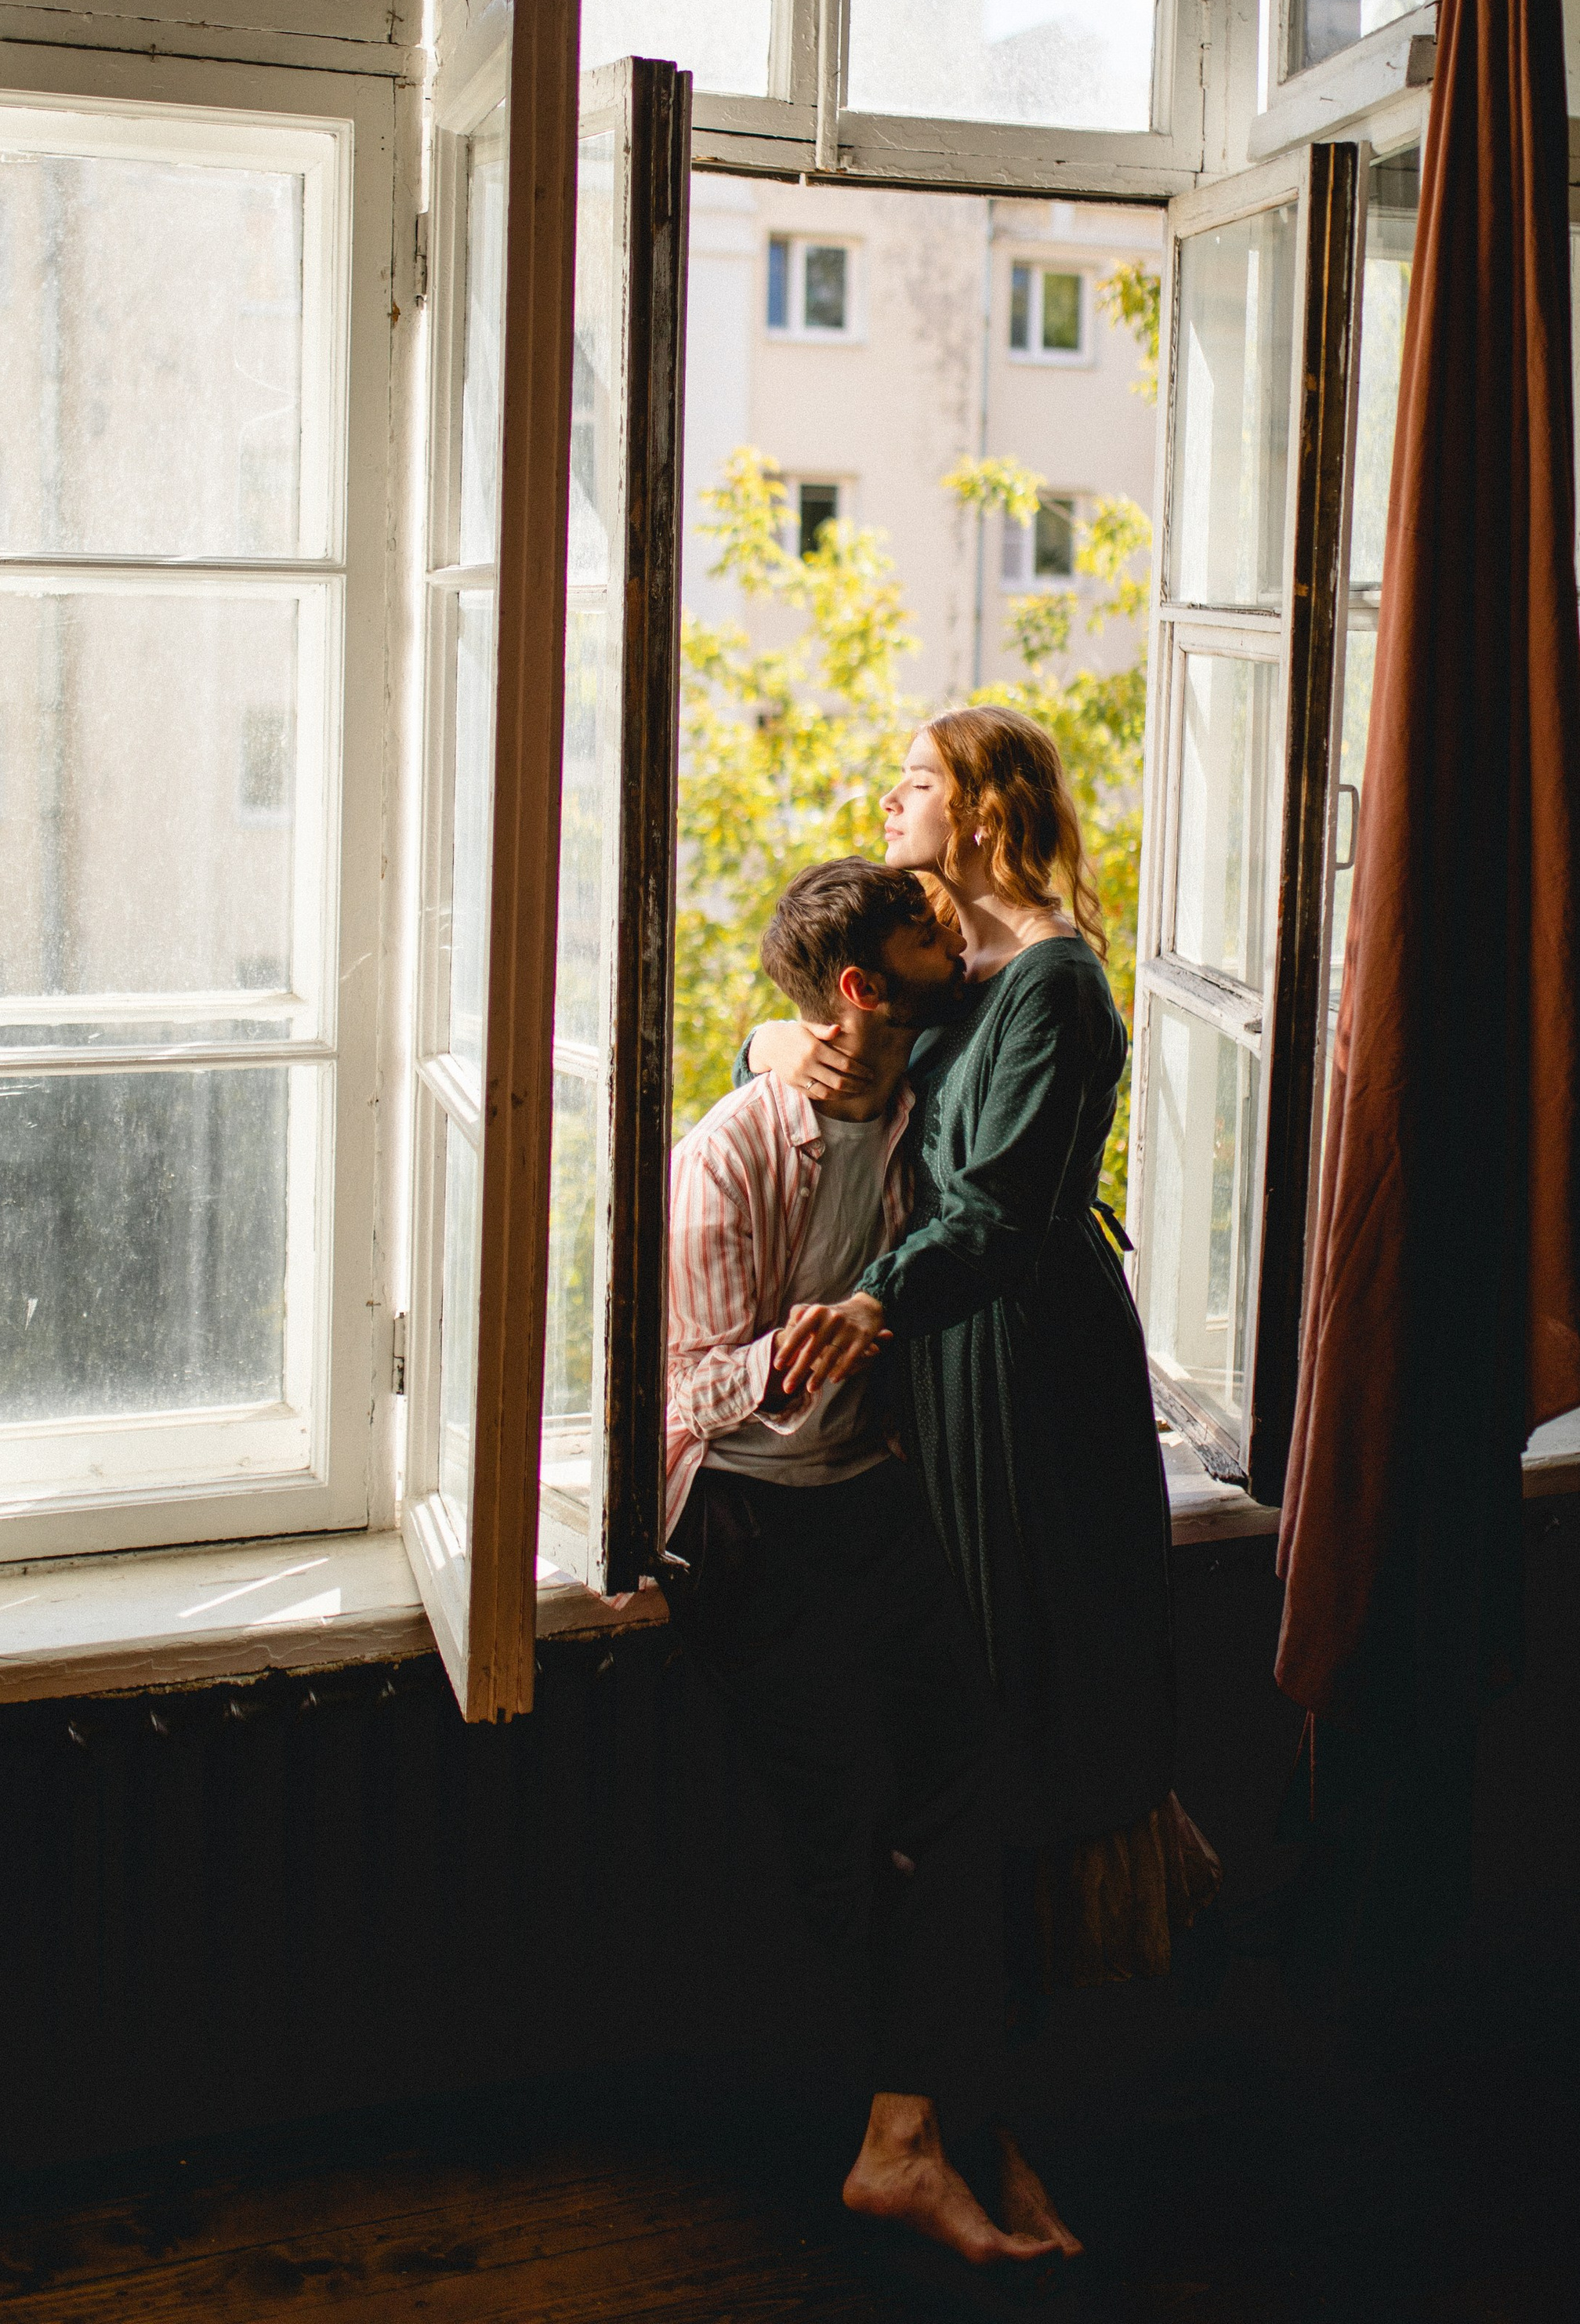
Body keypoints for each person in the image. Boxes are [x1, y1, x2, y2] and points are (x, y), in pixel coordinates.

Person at [665, 855, 1084, 2277]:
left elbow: (1017, 1011)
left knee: (972, 1775)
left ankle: (938, 2123)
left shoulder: (922, 1093)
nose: (958, 942)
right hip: (748, 1522)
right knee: (842, 1820)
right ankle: (907, 2141)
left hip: (871, 1503)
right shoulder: (727, 1149)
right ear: (863, 986)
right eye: (929, 934)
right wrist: (811, 1344)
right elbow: (695, 1388)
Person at [747, 708, 1198, 1977]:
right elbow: (837, 1044)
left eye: (915, 784)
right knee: (968, 1667)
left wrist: (875, 1302)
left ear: (985, 813)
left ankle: (1057, 1988)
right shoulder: (952, 973)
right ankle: (972, 1992)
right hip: (944, 1353)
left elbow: (996, 1210)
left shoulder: (1055, 984)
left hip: (1027, 1361)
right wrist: (778, 1043)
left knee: (1040, 1648)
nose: (889, 803)